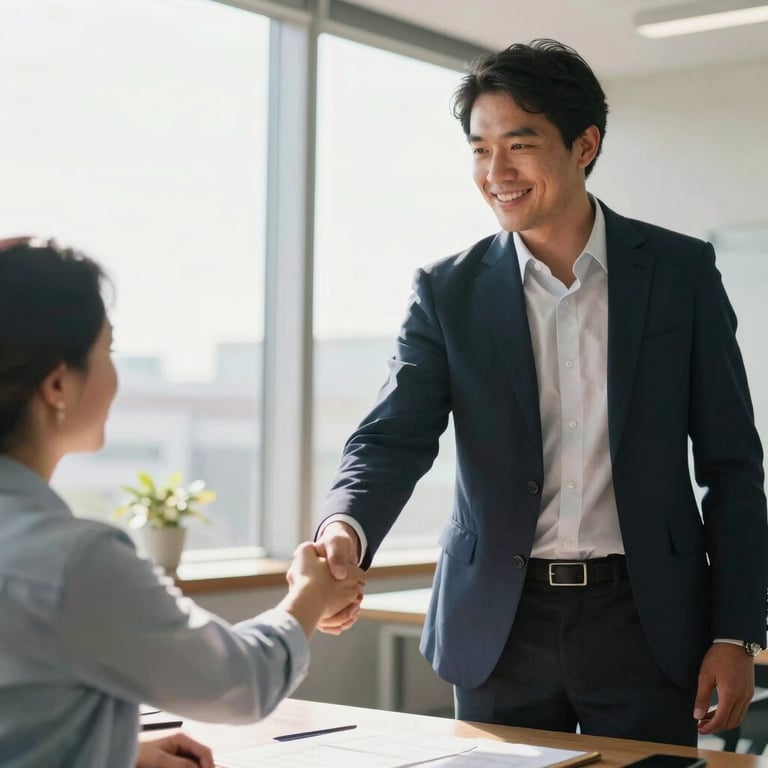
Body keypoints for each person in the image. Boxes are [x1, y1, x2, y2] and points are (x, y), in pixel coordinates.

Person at [314, 39, 768, 746]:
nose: (496, 172)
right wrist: (343, 528)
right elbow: (392, 438)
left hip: (647, 621)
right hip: (499, 623)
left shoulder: (679, 273)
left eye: (518, 145)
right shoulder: (447, 292)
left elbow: (732, 465)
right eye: (479, 148)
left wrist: (737, 633)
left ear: (584, 145)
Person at [0, 236, 365, 768]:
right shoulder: (73, 560)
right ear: (58, 384)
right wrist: (309, 596)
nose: (116, 376)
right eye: (108, 351)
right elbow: (239, 683)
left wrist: (119, 750)